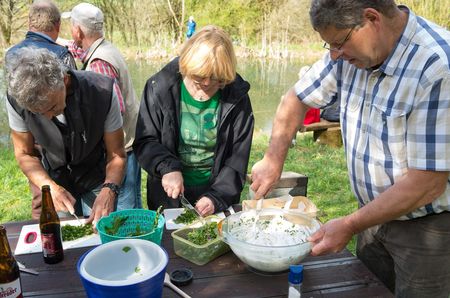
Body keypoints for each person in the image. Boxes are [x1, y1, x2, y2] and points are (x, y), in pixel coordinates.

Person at [250, 1, 450, 297]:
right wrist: (273, 158)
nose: (334, 55)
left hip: (426, 232)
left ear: (371, 19)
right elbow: (295, 98)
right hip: (370, 217)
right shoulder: (351, 53)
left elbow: (427, 184)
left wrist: (349, 224)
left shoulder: (437, 66)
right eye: (328, 46)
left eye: (339, 43)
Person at [134, 25, 254, 216]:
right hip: (167, 194)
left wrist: (217, 196)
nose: (206, 85)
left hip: (216, 190)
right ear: (186, 67)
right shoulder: (159, 87)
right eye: (198, 79)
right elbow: (145, 140)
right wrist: (167, 168)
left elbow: (237, 157)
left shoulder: (238, 98)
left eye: (216, 79)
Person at [5, 47, 126, 227]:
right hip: (53, 177)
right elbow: (25, 154)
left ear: (65, 79)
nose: (46, 117)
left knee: (103, 230)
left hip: (95, 175)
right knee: (63, 240)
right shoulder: (15, 100)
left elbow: (117, 154)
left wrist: (110, 189)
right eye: (37, 113)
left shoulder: (103, 91)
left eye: (52, 107)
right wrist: (49, 186)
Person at [60, 2, 142, 210]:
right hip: (130, 145)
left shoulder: (98, 64)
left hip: (119, 153)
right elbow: (80, 52)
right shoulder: (106, 48)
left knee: (121, 218)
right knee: (133, 209)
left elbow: (114, 111)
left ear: (78, 30)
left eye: (72, 26)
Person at [5, 0, 76, 219]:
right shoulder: (62, 55)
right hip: (66, 147)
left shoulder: (10, 55)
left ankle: (44, 240)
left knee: (43, 202)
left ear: (29, 23)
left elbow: (15, 105)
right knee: (69, 201)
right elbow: (71, 109)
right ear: (57, 26)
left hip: (32, 140)